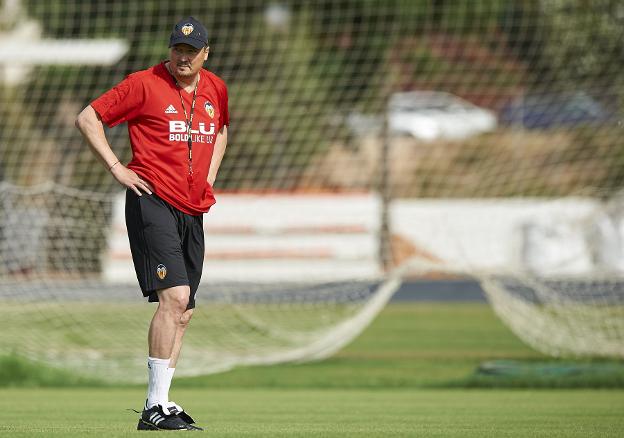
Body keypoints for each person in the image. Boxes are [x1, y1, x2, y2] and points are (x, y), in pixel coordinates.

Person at [76, 16, 228, 431]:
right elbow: (88, 117)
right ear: (169, 50)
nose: (183, 56)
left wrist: (209, 177)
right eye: (177, 49)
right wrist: (116, 167)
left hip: (193, 209)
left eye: (191, 50)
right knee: (175, 297)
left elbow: (222, 131)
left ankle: (160, 402)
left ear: (205, 54)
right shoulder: (143, 83)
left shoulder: (216, 88)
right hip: (152, 200)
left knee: (184, 312)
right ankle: (153, 408)